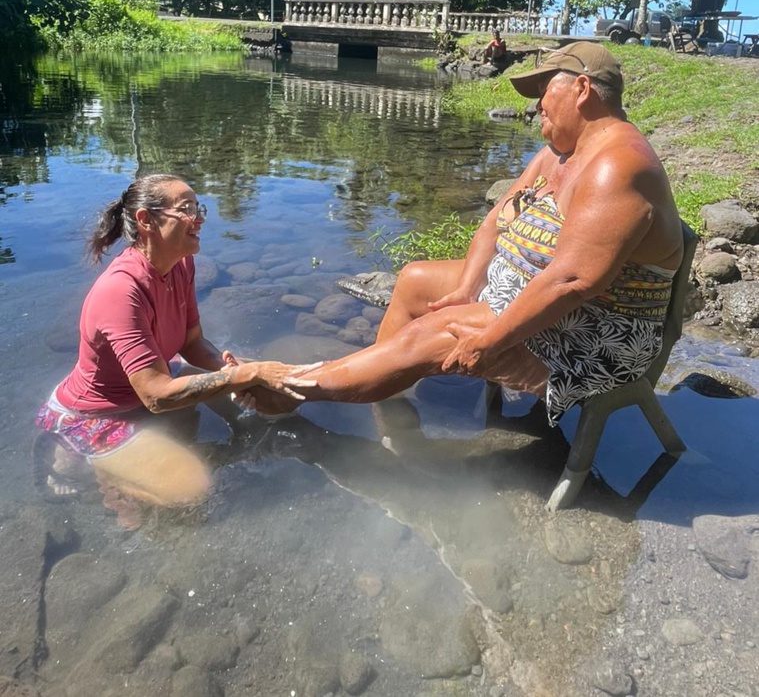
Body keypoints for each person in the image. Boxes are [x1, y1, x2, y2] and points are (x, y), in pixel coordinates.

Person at [248, 42, 684, 426]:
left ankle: (294, 388)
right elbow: (496, 221)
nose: (537, 106)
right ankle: (382, 399)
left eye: (544, 91)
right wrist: (468, 287)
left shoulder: (618, 165)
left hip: (595, 334)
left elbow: (571, 281)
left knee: (437, 331)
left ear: (582, 89)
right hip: (526, 293)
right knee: (415, 280)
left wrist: (488, 341)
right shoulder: (557, 154)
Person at [35, 173, 316, 511]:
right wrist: (244, 375)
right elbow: (156, 395)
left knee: (272, 393)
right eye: (186, 209)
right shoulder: (120, 291)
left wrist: (235, 369)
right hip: (95, 415)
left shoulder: (182, 263)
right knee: (192, 492)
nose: (199, 219)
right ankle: (104, 475)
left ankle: (161, 453)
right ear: (146, 220)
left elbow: (192, 342)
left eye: (199, 208)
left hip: (158, 379)